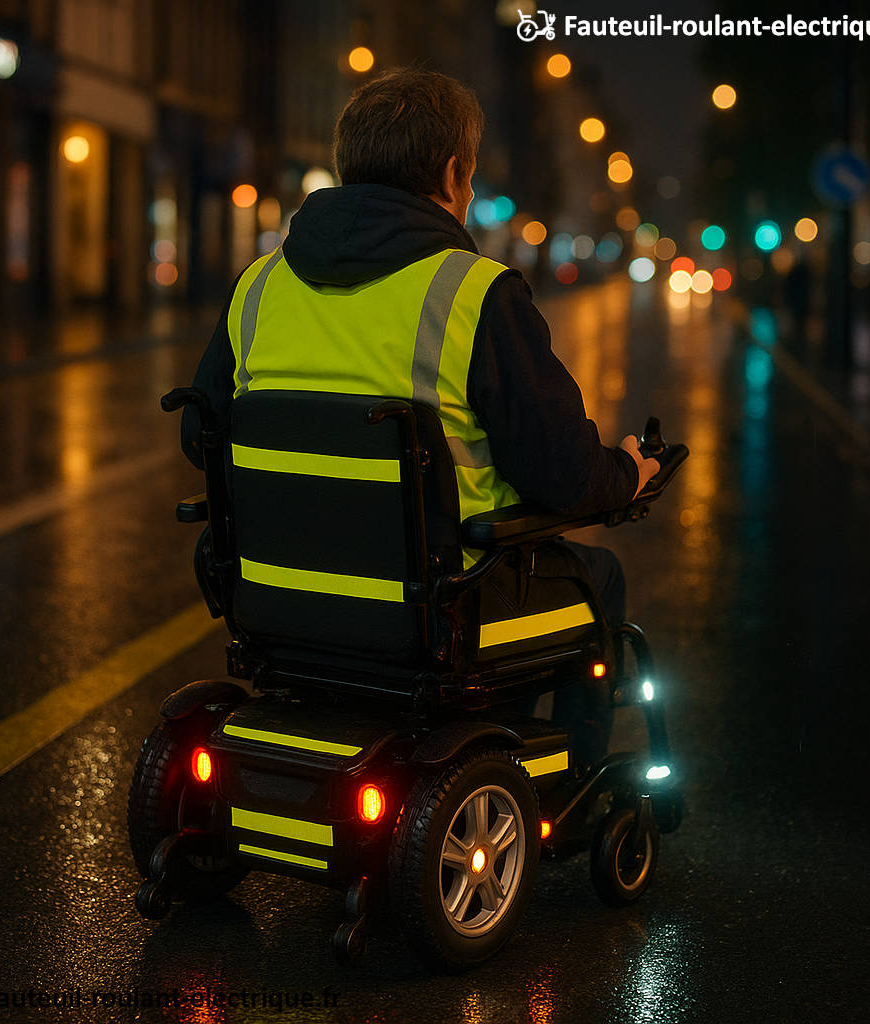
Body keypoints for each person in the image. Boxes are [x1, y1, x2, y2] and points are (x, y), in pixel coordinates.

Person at [181, 68, 659, 765]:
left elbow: (203, 437)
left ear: (348, 165)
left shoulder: (258, 286)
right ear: (451, 171)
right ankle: (567, 783)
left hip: (273, 598)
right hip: (431, 614)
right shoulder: (475, 294)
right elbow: (562, 475)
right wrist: (628, 473)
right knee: (600, 576)